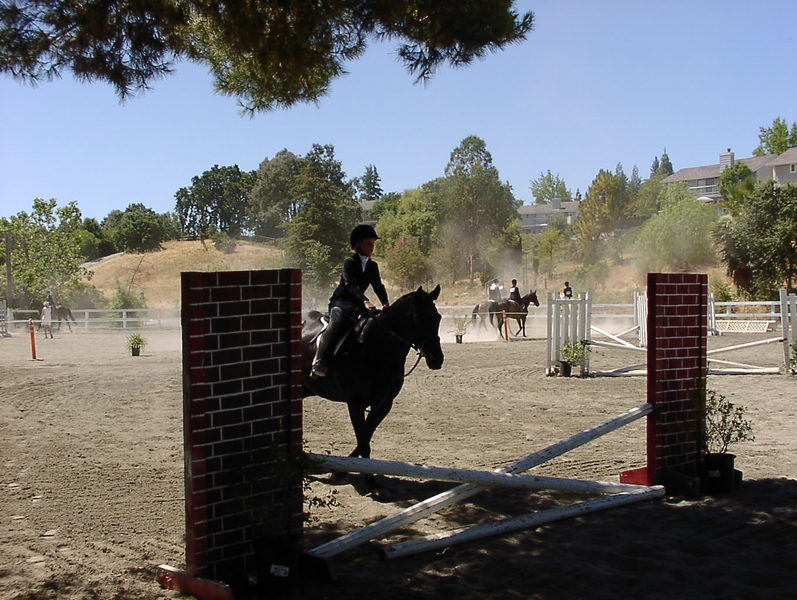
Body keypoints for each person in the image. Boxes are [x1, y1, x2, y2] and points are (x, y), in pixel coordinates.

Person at [310, 224, 390, 379]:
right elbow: (349, 285)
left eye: (373, 244)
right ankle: (318, 361)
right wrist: (365, 301)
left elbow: (378, 285)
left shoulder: (373, 266)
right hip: (341, 302)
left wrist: (385, 303)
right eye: (369, 243)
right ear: (359, 244)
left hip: (357, 305)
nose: (372, 247)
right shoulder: (350, 262)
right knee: (336, 323)